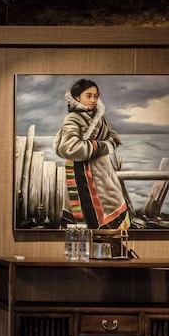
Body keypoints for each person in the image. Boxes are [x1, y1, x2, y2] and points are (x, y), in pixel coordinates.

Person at [52, 78, 130, 229]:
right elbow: (69, 148)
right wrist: (101, 146)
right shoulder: (73, 118)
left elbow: (114, 138)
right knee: (86, 215)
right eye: (88, 96)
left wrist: (106, 145)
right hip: (82, 174)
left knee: (112, 206)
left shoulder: (100, 117)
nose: (93, 100)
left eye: (96, 96)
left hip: (103, 174)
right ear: (77, 98)